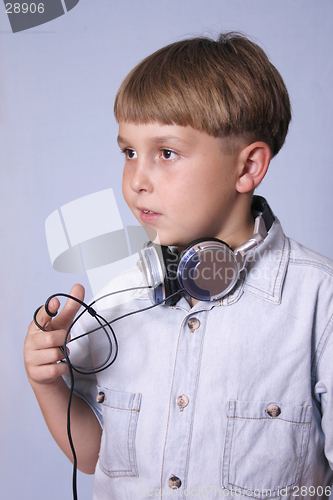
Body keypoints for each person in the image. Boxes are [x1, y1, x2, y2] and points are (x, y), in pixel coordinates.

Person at [24, 33, 333, 499]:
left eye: (166, 153)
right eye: (128, 152)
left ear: (248, 167)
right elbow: (92, 457)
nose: (136, 181)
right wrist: (47, 382)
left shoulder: (318, 301)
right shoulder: (116, 299)